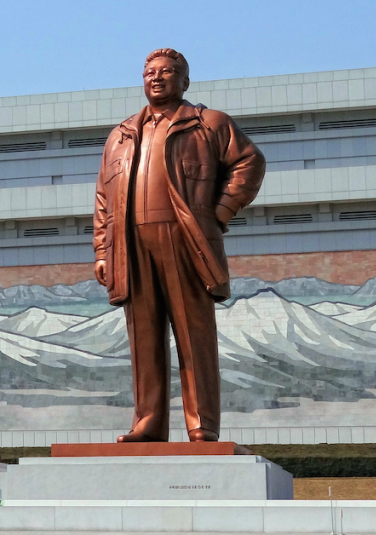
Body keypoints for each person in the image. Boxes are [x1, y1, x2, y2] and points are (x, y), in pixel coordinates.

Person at [93, 48, 266, 443]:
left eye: (167, 71)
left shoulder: (209, 123)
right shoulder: (121, 134)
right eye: (150, 72)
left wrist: (218, 212)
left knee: (194, 333)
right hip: (131, 243)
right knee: (143, 337)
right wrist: (103, 251)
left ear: (185, 81)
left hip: (185, 238)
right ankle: (148, 422)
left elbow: (250, 163)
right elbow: (103, 198)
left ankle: (201, 423)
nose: (157, 77)